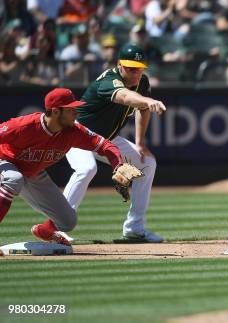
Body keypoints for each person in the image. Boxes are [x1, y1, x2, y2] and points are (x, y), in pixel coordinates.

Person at [62, 43, 167, 243]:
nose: (135, 73)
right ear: (120, 65)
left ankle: (134, 228)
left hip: (106, 139)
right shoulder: (110, 81)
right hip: (78, 134)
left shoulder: (142, 82)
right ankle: (56, 227)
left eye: (139, 68)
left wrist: (140, 142)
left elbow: (142, 109)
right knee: (86, 169)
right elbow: (126, 97)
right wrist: (145, 101)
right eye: (130, 68)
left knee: (147, 163)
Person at [0, 88, 123, 245]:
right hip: (5, 162)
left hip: (33, 173)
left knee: (67, 221)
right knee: (13, 178)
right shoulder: (24, 126)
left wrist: (117, 165)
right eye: (71, 110)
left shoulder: (73, 131)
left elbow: (105, 145)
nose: (76, 113)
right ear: (56, 111)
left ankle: (45, 231)